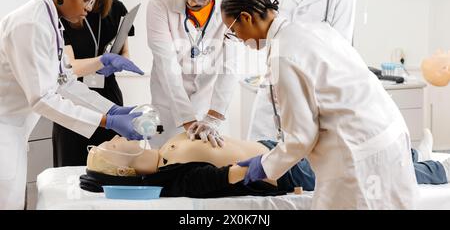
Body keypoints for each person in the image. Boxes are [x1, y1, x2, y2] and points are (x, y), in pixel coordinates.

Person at [220, 0, 418, 209]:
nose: (238, 39)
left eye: (233, 31)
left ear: (247, 17)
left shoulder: (282, 55)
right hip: (387, 135)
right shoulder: (313, 29)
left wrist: (263, 166)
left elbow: (301, 137)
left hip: (359, 154)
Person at [0, 0, 143, 209]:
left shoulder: (51, 21)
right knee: (9, 201)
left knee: (14, 199)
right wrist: (106, 121)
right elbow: (43, 98)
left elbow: (64, 81)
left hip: (14, 127)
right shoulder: (31, 24)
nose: (90, 7)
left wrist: (112, 110)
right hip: (4, 127)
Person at [80, 130, 450, 198]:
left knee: (356, 151)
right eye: (107, 148)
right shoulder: (177, 181)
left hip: (278, 146)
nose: (112, 138)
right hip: (287, 168)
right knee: (366, 168)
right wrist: (266, 166)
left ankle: (417, 155)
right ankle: (436, 169)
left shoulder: (162, 151)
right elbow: (225, 177)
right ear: (123, 170)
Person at [248, 0, 357, 142]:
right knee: (258, 155)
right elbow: (263, 32)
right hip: (274, 88)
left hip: (315, 92)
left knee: (308, 169)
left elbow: (338, 49)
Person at [53, 0, 143, 167]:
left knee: (111, 166)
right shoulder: (65, 13)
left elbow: (124, 51)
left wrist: (119, 62)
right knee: (72, 170)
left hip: (109, 95)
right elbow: (69, 67)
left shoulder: (117, 9)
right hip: (73, 98)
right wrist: (101, 61)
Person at [146, 0, 237, 148]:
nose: (192, 1)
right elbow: (166, 64)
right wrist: (188, 120)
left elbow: (230, 66)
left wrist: (213, 117)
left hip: (209, 105)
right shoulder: (159, 5)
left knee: (210, 170)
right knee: (167, 164)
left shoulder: (230, 8)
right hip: (169, 107)